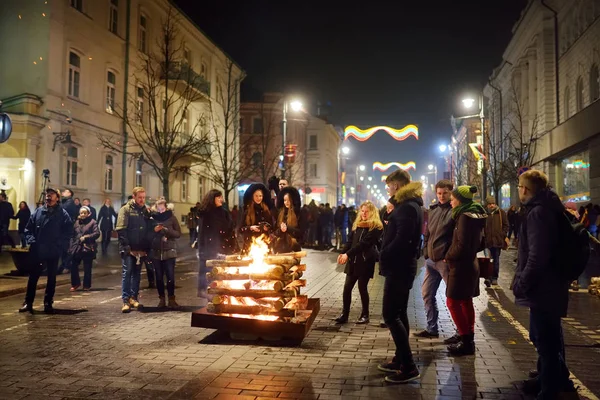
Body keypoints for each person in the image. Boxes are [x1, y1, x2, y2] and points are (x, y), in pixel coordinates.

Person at [512, 170, 576, 399]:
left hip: (543, 285)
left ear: (526, 189)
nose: (518, 189)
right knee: (549, 335)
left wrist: (522, 281)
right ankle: (556, 378)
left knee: (543, 338)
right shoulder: (548, 207)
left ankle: (549, 389)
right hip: (550, 283)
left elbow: (538, 256)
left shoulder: (538, 213)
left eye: (519, 186)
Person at [377, 170, 423, 384]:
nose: (388, 188)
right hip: (402, 266)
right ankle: (400, 358)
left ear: (397, 185)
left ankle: (409, 366)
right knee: (400, 312)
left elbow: (402, 239)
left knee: (390, 315)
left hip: (399, 267)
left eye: (389, 184)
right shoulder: (409, 205)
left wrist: (383, 253)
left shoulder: (406, 208)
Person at [444, 185, 486, 355]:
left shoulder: (464, 217)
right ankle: (468, 338)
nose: (451, 201)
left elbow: (460, 245)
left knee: (452, 302)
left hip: (461, 266)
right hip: (470, 263)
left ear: (460, 200)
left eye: (453, 198)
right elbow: (481, 242)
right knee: (465, 301)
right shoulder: (476, 214)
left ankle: (466, 340)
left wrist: (449, 256)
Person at [19, 187, 73, 313]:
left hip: (53, 250)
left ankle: (48, 303)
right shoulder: (38, 211)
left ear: (57, 198)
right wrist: (31, 241)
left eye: (51, 195)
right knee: (33, 277)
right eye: (47, 195)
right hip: (38, 250)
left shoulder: (62, 213)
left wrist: (60, 245)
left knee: (51, 278)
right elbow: (28, 229)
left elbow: (68, 231)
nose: (48, 197)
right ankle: (28, 302)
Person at [415, 179, 455, 339]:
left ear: (451, 192)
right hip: (431, 260)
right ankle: (432, 328)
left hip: (444, 261)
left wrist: (448, 256)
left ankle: (461, 332)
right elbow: (428, 233)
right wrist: (426, 252)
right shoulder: (433, 210)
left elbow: (456, 237)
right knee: (427, 294)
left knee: (453, 296)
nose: (442, 196)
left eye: (445, 193)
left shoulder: (454, 211)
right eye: (439, 193)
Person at [335, 201, 383, 325]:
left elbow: (363, 245)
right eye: (362, 211)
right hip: (353, 262)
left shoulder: (376, 227)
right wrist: (342, 253)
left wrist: (347, 254)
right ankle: (344, 314)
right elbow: (350, 241)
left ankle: (365, 315)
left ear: (372, 213)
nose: (364, 213)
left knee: (362, 288)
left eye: (367, 211)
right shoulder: (357, 225)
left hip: (365, 261)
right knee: (347, 288)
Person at [116, 187, 152, 313]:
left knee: (137, 274)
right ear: (134, 197)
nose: (142, 200)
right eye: (140, 197)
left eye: (144, 197)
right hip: (128, 248)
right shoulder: (125, 209)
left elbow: (148, 229)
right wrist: (127, 247)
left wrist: (145, 247)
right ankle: (125, 300)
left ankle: (134, 298)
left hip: (140, 249)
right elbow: (121, 230)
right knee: (127, 273)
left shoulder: (145, 211)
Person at [197, 189, 238, 298]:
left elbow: (229, 230)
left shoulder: (224, 213)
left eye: (221, 197)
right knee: (210, 275)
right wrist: (202, 250)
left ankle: (220, 298)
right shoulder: (206, 214)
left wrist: (232, 245)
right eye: (218, 197)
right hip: (210, 249)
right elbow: (202, 234)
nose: (221, 199)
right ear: (212, 199)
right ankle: (209, 296)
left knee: (222, 276)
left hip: (223, 249)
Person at [150, 198, 181, 308]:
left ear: (166, 208)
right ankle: (162, 299)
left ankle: (172, 299)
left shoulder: (172, 218)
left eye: (163, 208)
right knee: (158, 277)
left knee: (170, 277)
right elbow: (148, 233)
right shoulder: (152, 218)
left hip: (169, 251)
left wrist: (167, 231)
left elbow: (178, 233)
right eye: (159, 209)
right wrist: (155, 231)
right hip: (156, 252)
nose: (161, 211)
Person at [69, 206, 100, 292]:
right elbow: (72, 235)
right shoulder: (76, 222)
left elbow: (97, 233)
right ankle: (75, 283)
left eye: (84, 213)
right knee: (73, 266)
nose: (82, 214)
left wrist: (86, 237)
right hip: (77, 247)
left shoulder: (93, 222)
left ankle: (86, 285)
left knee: (87, 267)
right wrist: (71, 246)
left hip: (87, 248)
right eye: (81, 213)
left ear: (88, 214)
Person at [239, 183, 273, 253]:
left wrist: (267, 228)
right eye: (256, 196)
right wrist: (251, 228)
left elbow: (272, 226)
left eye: (260, 196)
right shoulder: (247, 211)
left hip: (264, 245)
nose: (258, 198)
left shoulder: (266, 210)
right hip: (250, 245)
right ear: (252, 196)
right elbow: (240, 229)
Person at [483, 195, 509, 287]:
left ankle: (494, 278)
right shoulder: (484, 214)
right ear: (487, 205)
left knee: (496, 260)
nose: (492, 205)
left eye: (493, 203)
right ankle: (488, 278)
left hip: (497, 241)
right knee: (487, 260)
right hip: (487, 242)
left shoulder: (501, 213)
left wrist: (502, 235)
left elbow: (506, 225)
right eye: (490, 204)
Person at [272, 186, 305, 254]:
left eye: (289, 200)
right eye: (285, 200)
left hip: (293, 249)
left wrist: (288, 229)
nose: (286, 202)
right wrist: (281, 230)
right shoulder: (280, 213)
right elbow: (275, 231)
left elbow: (301, 232)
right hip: (279, 249)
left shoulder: (298, 213)